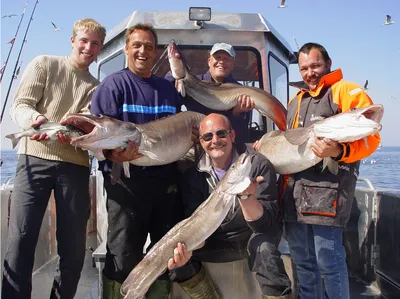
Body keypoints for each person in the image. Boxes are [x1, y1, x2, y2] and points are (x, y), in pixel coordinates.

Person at [2, 18, 106, 299]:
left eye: (95, 43)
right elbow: (21, 105)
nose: (88, 47)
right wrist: (35, 120)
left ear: (101, 48)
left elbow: (87, 127)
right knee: (21, 239)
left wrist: (78, 130)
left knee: (73, 246)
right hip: (32, 158)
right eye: (84, 40)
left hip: (74, 165)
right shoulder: (44, 63)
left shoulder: (97, 88)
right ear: (72, 40)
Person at [89, 23, 185, 299]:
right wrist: (113, 156)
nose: (143, 51)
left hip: (167, 184)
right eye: (137, 45)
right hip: (126, 184)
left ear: (156, 53)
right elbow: (100, 139)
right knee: (122, 253)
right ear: (127, 49)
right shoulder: (113, 86)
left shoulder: (168, 89)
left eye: (149, 46)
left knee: (165, 251)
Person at [279, 42, 381, 299]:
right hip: (293, 198)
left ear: (328, 63)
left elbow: (370, 135)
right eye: (304, 68)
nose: (309, 72)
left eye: (315, 65)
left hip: (328, 198)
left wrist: (338, 152)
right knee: (303, 265)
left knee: (330, 266)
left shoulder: (345, 90)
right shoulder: (296, 100)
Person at [169, 113, 292, 299]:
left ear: (232, 135)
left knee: (265, 249)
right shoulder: (192, 177)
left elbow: (265, 225)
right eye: (208, 137)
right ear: (201, 142)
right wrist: (193, 244)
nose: (215, 140)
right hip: (214, 240)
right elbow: (193, 221)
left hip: (251, 235)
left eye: (221, 133)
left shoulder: (257, 165)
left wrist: (247, 198)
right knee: (176, 261)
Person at [166, 42, 255, 153]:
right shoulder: (192, 82)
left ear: (232, 64)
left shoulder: (242, 92)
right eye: (217, 57)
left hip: (226, 151)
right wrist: (174, 74)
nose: (221, 62)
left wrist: (237, 113)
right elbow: (167, 98)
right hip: (195, 147)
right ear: (209, 61)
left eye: (226, 59)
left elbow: (241, 134)